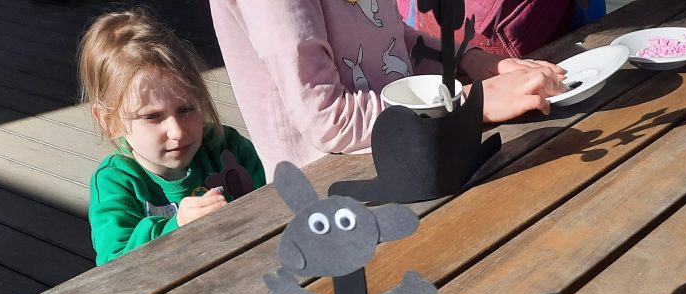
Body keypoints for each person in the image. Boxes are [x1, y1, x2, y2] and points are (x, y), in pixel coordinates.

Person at [209, 0, 566, 175]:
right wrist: (475, 101)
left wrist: (468, 60)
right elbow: (328, 119)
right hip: (332, 196)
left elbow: (392, 40)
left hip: (415, 150)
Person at [79, 8, 266, 265]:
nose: (177, 131)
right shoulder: (116, 183)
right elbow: (115, 264)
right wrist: (176, 227)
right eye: (152, 116)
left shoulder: (228, 147)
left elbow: (272, 200)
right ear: (109, 121)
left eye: (186, 109)